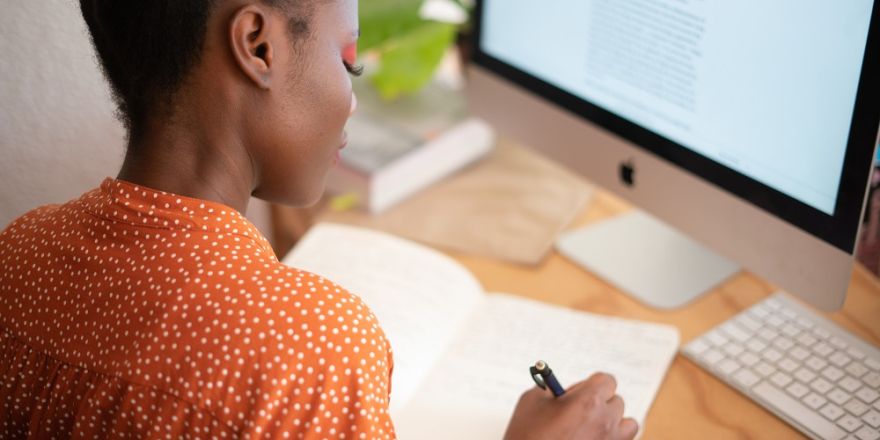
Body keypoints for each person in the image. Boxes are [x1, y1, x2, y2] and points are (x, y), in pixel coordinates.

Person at [0, 0, 638, 438]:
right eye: (348, 60)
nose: (352, 99)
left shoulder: (19, 253)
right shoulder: (314, 350)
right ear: (259, 45)